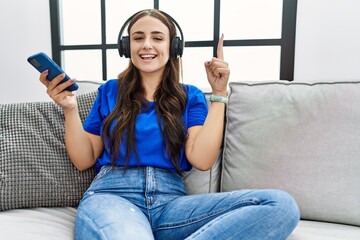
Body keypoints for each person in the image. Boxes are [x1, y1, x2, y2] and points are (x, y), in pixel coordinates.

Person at [39, 9, 299, 240]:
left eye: (157, 38)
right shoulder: (110, 91)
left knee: (280, 205)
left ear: (174, 46)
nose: (146, 45)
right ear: (126, 46)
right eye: (138, 37)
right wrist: (70, 110)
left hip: (171, 204)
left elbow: (202, 159)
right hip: (113, 195)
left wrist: (219, 93)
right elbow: (84, 159)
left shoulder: (191, 96)